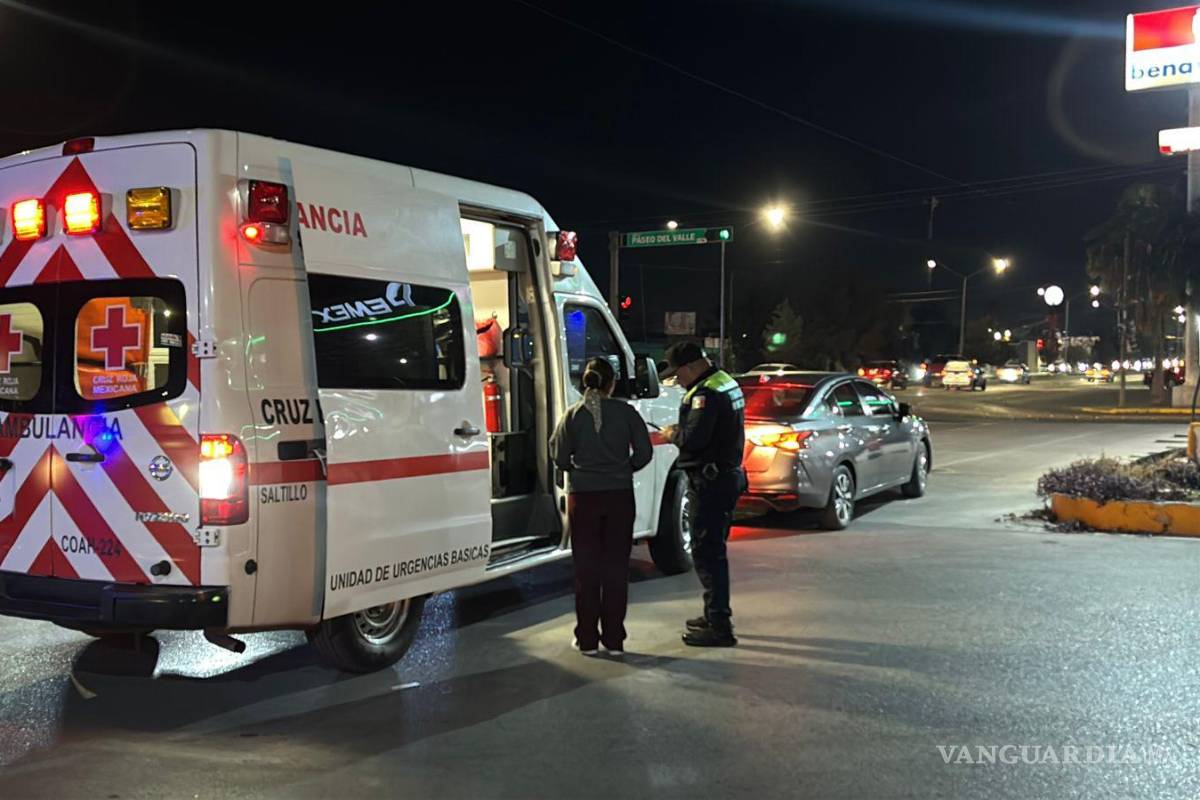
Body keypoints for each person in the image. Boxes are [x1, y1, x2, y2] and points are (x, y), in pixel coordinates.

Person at [550, 357, 654, 656]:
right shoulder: (626, 412)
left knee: (586, 568)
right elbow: (644, 453)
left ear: (586, 382)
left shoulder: (572, 414)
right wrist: (624, 468)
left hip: (583, 498)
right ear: (611, 383)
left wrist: (579, 468)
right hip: (619, 496)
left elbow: (558, 455)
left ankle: (586, 639)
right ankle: (614, 639)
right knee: (616, 567)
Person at [659, 342, 746, 647]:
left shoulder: (706, 394)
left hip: (711, 481)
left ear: (692, 366)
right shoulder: (725, 382)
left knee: (708, 553)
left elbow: (695, 440)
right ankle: (714, 613)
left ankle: (720, 626)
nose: (677, 379)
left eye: (678, 373)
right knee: (713, 551)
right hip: (725, 476)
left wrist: (673, 434)